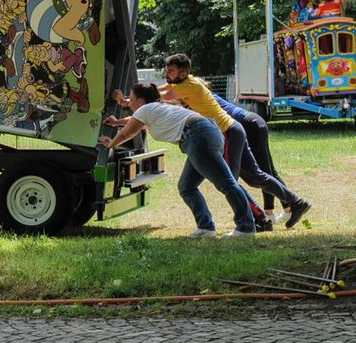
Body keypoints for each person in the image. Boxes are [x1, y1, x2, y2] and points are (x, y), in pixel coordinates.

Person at [101, 83, 256, 238]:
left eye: (131, 99)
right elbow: (134, 121)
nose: (129, 102)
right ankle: (206, 228)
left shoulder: (145, 111)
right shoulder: (155, 109)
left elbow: (126, 134)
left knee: (226, 183)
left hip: (197, 136)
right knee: (186, 187)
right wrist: (116, 122)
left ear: (140, 102)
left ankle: (246, 227)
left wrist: (111, 144)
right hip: (205, 132)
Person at [150, 53, 273, 231]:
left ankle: (259, 219)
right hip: (215, 134)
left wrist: (135, 98)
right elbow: (159, 90)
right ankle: (208, 227)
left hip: (226, 132)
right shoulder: (182, 81)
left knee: (230, 181)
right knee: (192, 186)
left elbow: (161, 96)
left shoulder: (187, 86)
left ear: (183, 73)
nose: (166, 74)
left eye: (170, 71)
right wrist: (134, 98)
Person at [212, 92, 311, 227]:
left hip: (250, 125)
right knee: (269, 171)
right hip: (254, 122)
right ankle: (287, 208)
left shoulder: (199, 96)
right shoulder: (205, 94)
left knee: (262, 173)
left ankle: (278, 210)